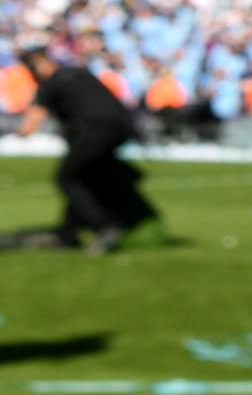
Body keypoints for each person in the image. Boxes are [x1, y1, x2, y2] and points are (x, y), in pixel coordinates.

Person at [12, 39, 158, 253]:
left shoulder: (51, 83)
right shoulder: (79, 73)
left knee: (67, 177)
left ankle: (104, 227)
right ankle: (69, 233)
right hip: (121, 127)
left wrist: (14, 132)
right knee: (86, 175)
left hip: (94, 130)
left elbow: (30, 126)